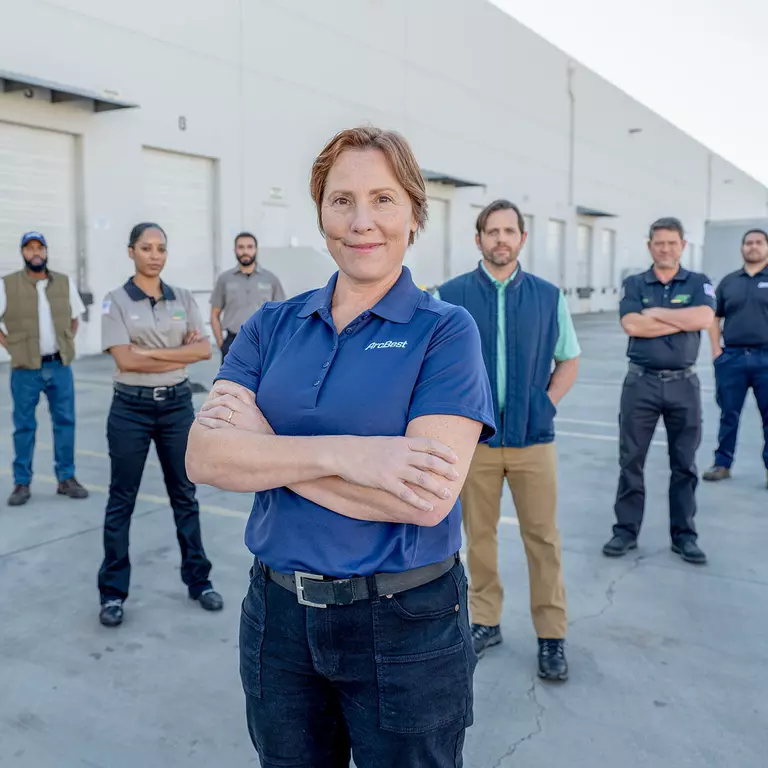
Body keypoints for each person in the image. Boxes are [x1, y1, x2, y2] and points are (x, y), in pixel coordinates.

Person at [186, 126, 495, 768]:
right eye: (341, 200)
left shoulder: (445, 331)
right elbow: (205, 457)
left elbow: (424, 499)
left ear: (414, 213)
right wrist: (348, 455)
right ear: (321, 214)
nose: (362, 222)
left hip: (405, 623)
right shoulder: (273, 325)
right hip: (278, 620)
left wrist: (267, 446)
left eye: (383, 199)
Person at [434, 199, 580, 682]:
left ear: (521, 238)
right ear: (478, 239)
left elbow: (569, 359)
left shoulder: (547, 295)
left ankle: (551, 633)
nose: (500, 239)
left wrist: (546, 404)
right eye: (491, 231)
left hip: (533, 441)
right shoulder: (450, 296)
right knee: (479, 536)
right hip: (475, 445)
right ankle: (486, 620)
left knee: (542, 538)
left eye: (509, 231)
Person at [97, 222, 223, 628]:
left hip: (176, 408)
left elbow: (204, 349)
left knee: (185, 495)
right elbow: (125, 360)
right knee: (122, 500)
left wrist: (152, 351)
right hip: (130, 409)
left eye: (161, 248)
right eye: (146, 247)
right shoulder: (114, 301)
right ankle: (113, 593)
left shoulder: (182, 297)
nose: (155, 254)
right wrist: (177, 352)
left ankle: (198, 581)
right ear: (131, 251)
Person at [603, 217, 715, 565]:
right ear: (650, 245)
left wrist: (659, 314)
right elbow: (632, 324)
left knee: (685, 464)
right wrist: (681, 317)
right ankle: (625, 531)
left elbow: (704, 319)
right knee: (631, 461)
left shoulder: (699, 282)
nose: (665, 249)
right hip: (641, 383)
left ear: (683, 245)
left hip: (684, 384)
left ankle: (684, 536)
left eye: (672, 243)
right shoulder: (635, 283)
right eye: (659, 243)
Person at [0, 231, 89, 506]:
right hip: (25, 369)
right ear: (23, 253)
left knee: (65, 423)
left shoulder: (63, 282)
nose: (35, 252)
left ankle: (66, 478)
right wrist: (11, 348)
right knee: (24, 426)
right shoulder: (7, 284)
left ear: (46, 252)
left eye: (40, 248)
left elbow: (75, 317)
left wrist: (67, 341)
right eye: (30, 248)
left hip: (59, 366)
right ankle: (21, 483)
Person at [702, 229, 768, 488]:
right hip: (732, 358)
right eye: (748, 243)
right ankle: (722, 463)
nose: (753, 247)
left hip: (766, 359)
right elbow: (714, 318)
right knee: (728, 414)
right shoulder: (729, 282)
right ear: (742, 248)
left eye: (759, 243)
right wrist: (716, 351)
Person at [210, 232, 285, 363]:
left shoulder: (271, 279)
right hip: (233, 341)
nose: (245, 251)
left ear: (256, 249)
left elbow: (282, 315)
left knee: (263, 382)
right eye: (241, 247)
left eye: (250, 247)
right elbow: (214, 314)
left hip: (263, 342)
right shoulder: (224, 279)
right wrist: (221, 344)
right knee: (231, 382)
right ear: (235, 250)